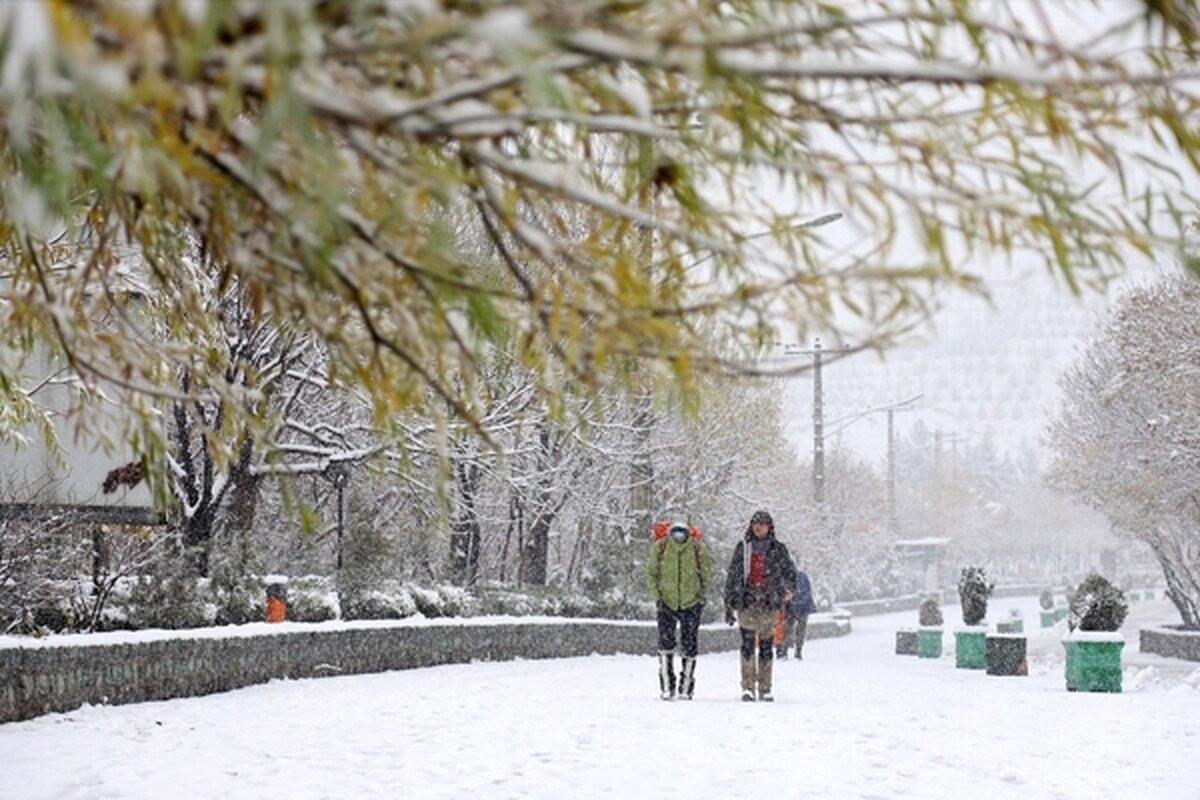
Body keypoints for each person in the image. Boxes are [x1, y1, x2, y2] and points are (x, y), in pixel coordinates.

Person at [723, 510, 795, 702]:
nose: (758, 527)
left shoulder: (778, 550)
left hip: (769, 604)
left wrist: (787, 589)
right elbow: (733, 575)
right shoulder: (744, 548)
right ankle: (747, 686)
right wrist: (730, 602)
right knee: (747, 645)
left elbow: (789, 572)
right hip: (747, 604)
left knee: (766, 646)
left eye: (762, 524)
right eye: (755, 523)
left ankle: (765, 686)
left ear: (769, 527)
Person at [646, 520, 713, 700]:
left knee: (689, 645)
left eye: (682, 532)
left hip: (691, 603)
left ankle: (686, 687)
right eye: (675, 532)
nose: (678, 536)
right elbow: (651, 573)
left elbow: (706, 575)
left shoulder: (698, 549)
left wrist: (700, 598)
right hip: (666, 602)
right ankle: (667, 685)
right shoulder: (660, 548)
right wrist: (658, 596)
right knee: (665, 644)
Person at [774, 562, 817, 659]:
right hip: (803, 607)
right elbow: (807, 591)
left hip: (792, 608)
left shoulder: (786, 578)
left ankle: (784, 651)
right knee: (800, 630)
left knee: (787, 629)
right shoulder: (802, 576)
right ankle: (798, 651)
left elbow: (786, 594)